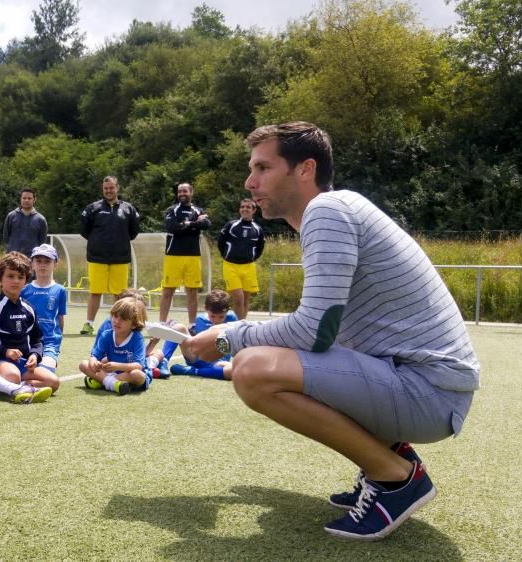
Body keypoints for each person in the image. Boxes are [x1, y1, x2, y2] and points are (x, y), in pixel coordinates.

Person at [181, 122, 479, 540]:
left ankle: (396, 479)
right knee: (274, 361)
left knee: (252, 369)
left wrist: (228, 337)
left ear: (305, 169)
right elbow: (328, 332)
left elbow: (314, 332)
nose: (250, 182)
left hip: (427, 392)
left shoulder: (327, 211)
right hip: (426, 386)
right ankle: (391, 457)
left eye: (263, 168)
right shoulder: (336, 212)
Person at [0, 252, 58, 403]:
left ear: (26, 280)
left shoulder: (29, 309)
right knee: (13, 376)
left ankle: (16, 386)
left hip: (22, 364)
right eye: (10, 276)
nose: (16, 281)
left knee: (54, 382)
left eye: (20, 277)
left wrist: (34, 355)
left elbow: (37, 338)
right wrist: (6, 352)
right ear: (0, 279)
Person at [79, 176, 140, 335]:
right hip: (97, 258)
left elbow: (133, 232)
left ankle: (119, 324)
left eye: (111, 188)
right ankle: (89, 324)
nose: (108, 191)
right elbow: (84, 230)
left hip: (120, 259)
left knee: (119, 294)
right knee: (95, 292)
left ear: (117, 188)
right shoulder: (93, 208)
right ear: (103, 189)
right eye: (106, 188)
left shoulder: (128, 209)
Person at [159, 182, 211, 324]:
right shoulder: (172, 210)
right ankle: (162, 323)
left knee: (192, 292)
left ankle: (192, 324)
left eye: (185, 191)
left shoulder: (198, 210)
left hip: (193, 256)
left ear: (191, 193)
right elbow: (173, 228)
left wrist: (187, 224)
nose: (182, 194)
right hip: (173, 255)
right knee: (168, 290)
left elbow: (206, 224)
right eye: (179, 191)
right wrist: (194, 224)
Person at [80, 297, 151, 395]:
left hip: (128, 375)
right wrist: (94, 363)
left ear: (134, 324)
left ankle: (104, 382)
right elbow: (95, 356)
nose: (117, 321)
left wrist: (118, 366)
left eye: (123, 319)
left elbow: (138, 365)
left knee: (138, 375)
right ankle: (114, 384)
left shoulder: (137, 339)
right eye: (115, 316)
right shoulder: (106, 335)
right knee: (83, 364)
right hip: (109, 373)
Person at [168, 289, 237, 380]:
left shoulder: (232, 318)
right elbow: (195, 342)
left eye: (221, 316)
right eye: (213, 316)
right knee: (178, 328)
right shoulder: (199, 319)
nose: (217, 320)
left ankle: (192, 371)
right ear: (205, 308)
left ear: (227, 311)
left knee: (235, 370)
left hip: (219, 363)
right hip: (196, 358)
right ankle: (164, 362)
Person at [20, 243, 67, 373]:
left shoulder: (60, 290)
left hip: (50, 343)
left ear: (55, 264)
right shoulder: (24, 290)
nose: (42, 264)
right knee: (24, 369)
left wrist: (58, 341)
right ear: (32, 264)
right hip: (27, 342)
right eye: (38, 261)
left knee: (45, 372)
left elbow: (60, 317)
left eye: (47, 261)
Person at [218, 198, 265, 319]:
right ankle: (239, 326)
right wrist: (227, 256)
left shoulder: (258, 229)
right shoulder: (231, 225)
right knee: (238, 298)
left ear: (254, 210)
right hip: (231, 266)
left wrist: (251, 258)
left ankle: (242, 325)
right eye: (242, 207)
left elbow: (260, 248)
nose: (244, 209)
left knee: (245, 299)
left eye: (248, 207)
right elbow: (220, 243)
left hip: (249, 267)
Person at [3, 188, 48, 257]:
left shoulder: (41, 219)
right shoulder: (11, 216)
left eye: (29, 198)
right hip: (12, 258)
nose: (26, 200)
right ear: (20, 199)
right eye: (24, 198)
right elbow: (6, 237)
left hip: (31, 259)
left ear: (34, 200)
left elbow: (42, 241)